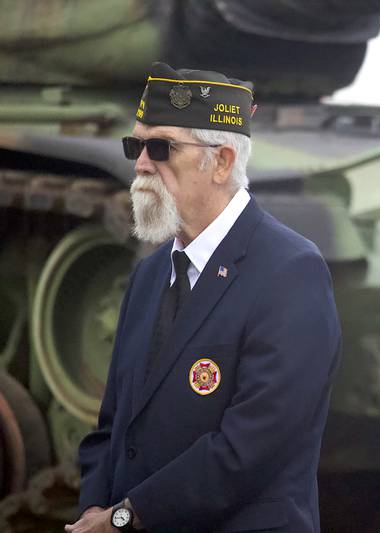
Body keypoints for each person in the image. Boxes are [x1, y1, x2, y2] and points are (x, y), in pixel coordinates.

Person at [65, 62, 341, 533]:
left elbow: (251, 447)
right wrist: (95, 510)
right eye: (136, 145)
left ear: (222, 162)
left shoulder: (290, 271)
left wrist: (128, 517)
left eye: (160, 147)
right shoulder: (150, 274)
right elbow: (112, 428)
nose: (141, 164)